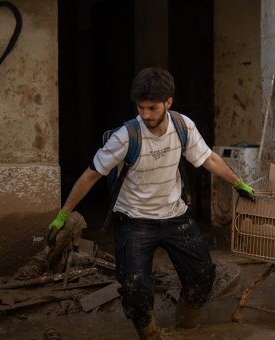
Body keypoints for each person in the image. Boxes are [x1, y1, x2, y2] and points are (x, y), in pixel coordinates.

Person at [47, 67, 255, 339]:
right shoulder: (126, 136)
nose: (145, 115)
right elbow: (91, 175)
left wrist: (238, 182)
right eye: (140, 108)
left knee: (203, 275)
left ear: (168, 102)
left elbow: (209, 159)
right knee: (134, 287)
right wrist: (64, 214)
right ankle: (151, 334)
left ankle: (187, 324)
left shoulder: (182, 126)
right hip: (134, 220)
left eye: (152, 108)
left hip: (175, 216)